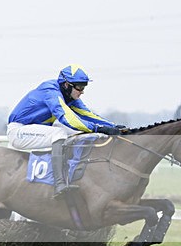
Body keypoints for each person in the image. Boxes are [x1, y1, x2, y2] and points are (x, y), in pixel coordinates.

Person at [7, 65, 125, 197]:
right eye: (79, 87)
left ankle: (74, 174)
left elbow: (88, 115)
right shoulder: (50, 90)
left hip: (38, 130)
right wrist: (99, 129)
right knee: (60, 133)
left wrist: (112, 126)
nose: (82, 92)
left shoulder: (69, 96)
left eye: (84, 87)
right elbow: (67, 118)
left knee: (77, 133)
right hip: (19, 131)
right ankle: (59, 183)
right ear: (66, 85)